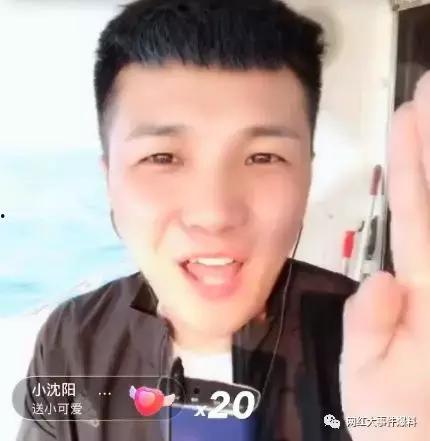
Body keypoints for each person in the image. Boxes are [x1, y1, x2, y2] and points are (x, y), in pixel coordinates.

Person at [16, 1, 430, 440]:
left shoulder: (394, 352)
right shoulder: (72, 340)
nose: (214, 215)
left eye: (263, 157)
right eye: (162, 157)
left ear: (307, 177)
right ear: (110, 182)